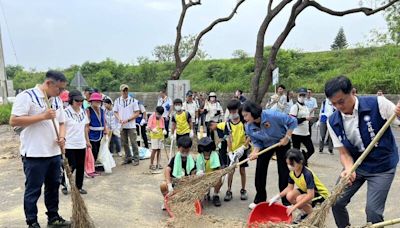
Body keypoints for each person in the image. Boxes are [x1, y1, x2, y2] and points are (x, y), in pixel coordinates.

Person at [325, 76, 400, 228]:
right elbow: (344, 152)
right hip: (357, 165)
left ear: (352, 92)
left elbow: (398, 120)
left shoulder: (378, 103)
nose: (338, 106)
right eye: (333, 104)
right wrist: (348, 169)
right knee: (335, 202)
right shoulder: (332, 121)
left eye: (341, 101)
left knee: (373, 212)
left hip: (382, 167)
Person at [9, 70, 71, 227]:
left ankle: (53, 217)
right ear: (49, 83)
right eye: (59, 88)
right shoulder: (27, 96)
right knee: (33, 190)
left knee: (53, 187)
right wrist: (42, 116)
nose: (61, 92)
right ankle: (32, 222)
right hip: (34, 154)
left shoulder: (57, 101)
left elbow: (62, 123)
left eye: (63, 89)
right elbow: (14, 120)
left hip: (54, 153)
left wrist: (62, 137)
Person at [243, 101, 297, 209]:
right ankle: (260, 199)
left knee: (283, 172)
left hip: (281, 142)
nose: (244, 118)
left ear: (253, 112)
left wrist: (287, 137)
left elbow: (293, 121)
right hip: (265, 145)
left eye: (246, 115)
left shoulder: (272, 115)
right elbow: (256, 141)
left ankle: (286, 201)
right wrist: (255, 152)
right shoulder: (248, 126)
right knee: (260, 172)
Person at [269, 148, 329, 224]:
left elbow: (310, 195)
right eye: (287, 164)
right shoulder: (292, 172)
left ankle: (313, 217)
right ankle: (305, 212)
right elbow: (289, 188)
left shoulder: (307, 174)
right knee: (289, 195)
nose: (289, 166)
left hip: (320, 194)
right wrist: (277, 197)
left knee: (299, 199)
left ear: (300, 162)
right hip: (307, 191)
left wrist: (294, 207)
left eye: (291, 164)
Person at [218, 99, 250, 202]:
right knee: (231, 170)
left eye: (234, 111)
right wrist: (230, 151)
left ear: (239, 110)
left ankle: (243, 190)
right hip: (232, 151)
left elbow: (248, 136)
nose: (232, 113)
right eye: (230, 111)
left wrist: (243, 148)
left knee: (242, 170)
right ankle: (228, 190)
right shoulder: (228, 124)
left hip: (243, 149)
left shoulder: (244, 122)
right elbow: (229, 138)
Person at [63, 90, 90, 195]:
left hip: (81, 144)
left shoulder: (83, 112)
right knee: (71, 165)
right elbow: (61, 128)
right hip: (69, 144)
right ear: (71, 100)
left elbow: (85, 128)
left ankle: (79, 187)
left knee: (80, 166)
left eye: (81, 100)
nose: (79, 102)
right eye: (77, 100)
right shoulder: (65, 112)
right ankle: (65, 184)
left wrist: (87, 141)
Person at [160, 136, 196, 210]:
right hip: (175, 183)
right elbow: (167, 170)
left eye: (187, 151)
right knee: (163, 185)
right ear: (178, 148)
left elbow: (193, 173)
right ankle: (167, 201)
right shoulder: (175, 159)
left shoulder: (191, 160)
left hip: (185, 185)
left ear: (189, 149)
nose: (185, 153)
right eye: (183, 151)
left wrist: (190, 183)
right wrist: (169, 185)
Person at [114, 84, 140, 165]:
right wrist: (119, 119)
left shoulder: (133, 101)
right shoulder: (117, 101)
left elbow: (137, 113)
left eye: (126, 90)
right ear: (121, 91)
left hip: (131, 125)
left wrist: (128, 119)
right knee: (124, 142)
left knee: (133, 142)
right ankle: (128, 157)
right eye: (123, 90)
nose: (125, 92)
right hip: (122, 125)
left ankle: (136, 158)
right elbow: (115, 112)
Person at [290, 88, 315, 166]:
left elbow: (307, 119)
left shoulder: (306, 107)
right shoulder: (295, 107)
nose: (302, 97)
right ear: (298, 95)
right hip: (296, 133)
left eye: (304, 95)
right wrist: (304, 119)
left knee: (311, 149)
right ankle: (296, 165)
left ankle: (303, 159)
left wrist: (309, 120)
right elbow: (292, 120)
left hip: (305, 133)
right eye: (301, 95)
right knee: (296, 151)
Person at [195, 137, 223, 207]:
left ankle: (215, 195)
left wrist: (216, 175)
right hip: (203, 177)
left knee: (219, 179)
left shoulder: (215, 154)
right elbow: (198, 170)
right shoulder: (199, 156)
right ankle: (203, 195)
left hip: (213, 176)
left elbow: (218, 169)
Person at [87, 92, 108, 162]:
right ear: (91, 101)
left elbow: (104, 120)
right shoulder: (88, 110)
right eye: (95, 101)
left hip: (101, 133)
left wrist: (105, 129)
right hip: (92, 134)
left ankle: (95, 164)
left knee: (99, 150)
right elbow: (86, 124)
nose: (97, 102)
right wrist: (86, 137)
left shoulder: (102, 110)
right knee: (93, 151)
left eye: (98, 101)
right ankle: (92, 166)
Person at [148, 106, 167, 170]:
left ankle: (158, 164)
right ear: (155, 112)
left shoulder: (161, 118)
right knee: (154, 150)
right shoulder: (151, 117)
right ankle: (151, 164)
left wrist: (164, 130)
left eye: (160, 114)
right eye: (158, 114)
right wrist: (152, 130)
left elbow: (163, 126)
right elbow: (149, 126)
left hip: (160, 135)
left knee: (159, 150)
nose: (159, 116)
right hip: (154, 136)